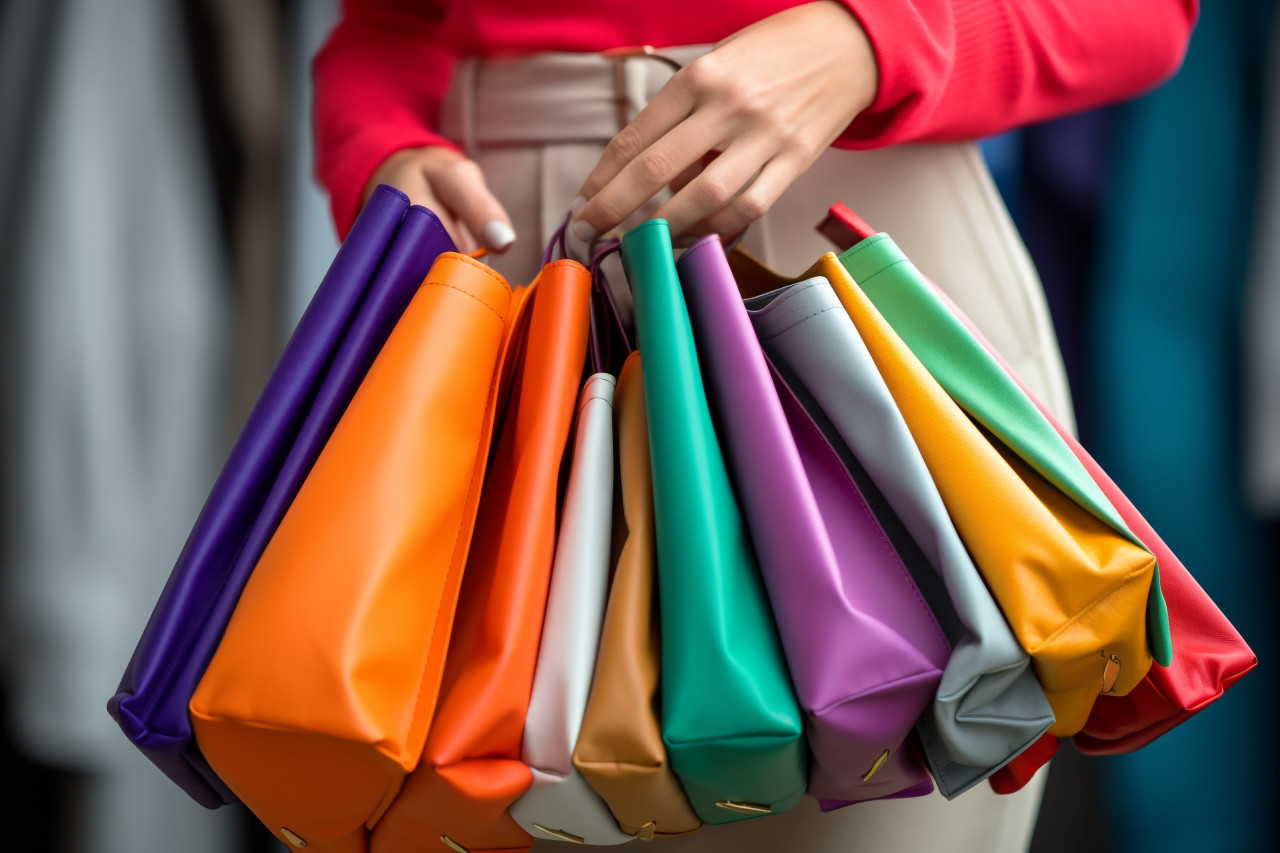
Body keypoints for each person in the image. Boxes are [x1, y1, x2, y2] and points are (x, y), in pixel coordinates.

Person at [311, 3, 1198, 852]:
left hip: (859, 255)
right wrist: (381, 145)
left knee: (888, 763)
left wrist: (872, 39)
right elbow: (390, 23)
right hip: (505, 278)